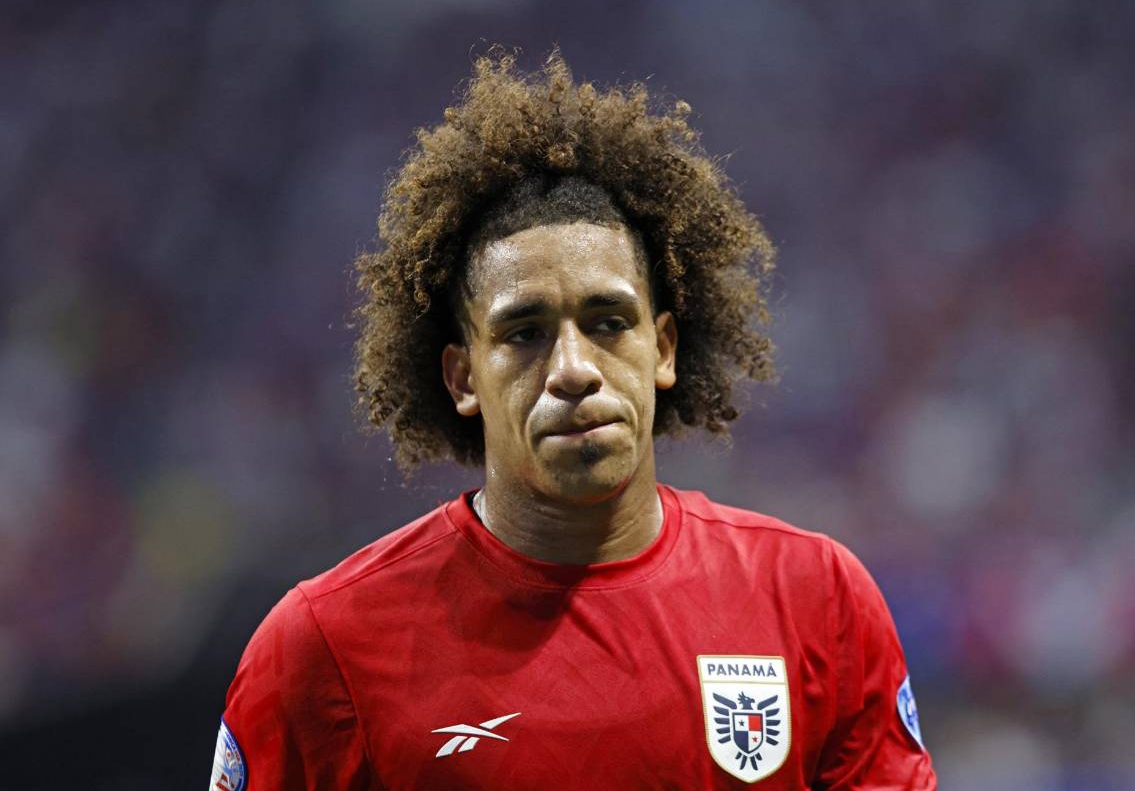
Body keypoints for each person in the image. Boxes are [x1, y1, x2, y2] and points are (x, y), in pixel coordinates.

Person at [211, 51, 937, 790]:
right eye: (524, 332)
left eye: (608, 321)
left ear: (663, 347)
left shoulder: (815, 600)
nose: (572, 368)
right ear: (462, 377)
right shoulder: (323, 647)